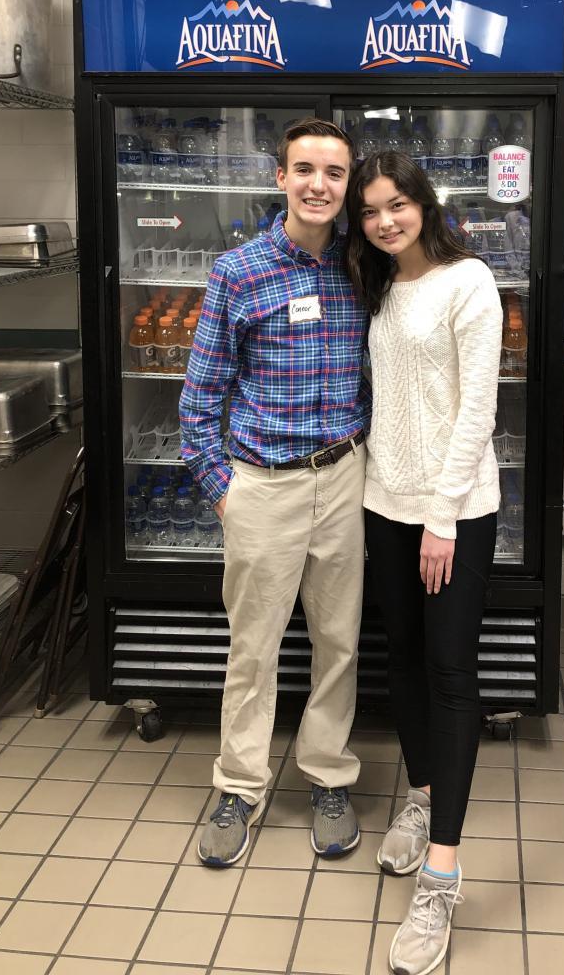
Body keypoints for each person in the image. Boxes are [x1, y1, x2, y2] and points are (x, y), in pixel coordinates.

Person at [179, 117, 371, 867]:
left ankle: (327, 775)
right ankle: (239, 785)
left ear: (347, 183)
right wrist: (226, 492)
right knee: (253, 649)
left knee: (339, 643)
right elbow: (199, 401)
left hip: (345, 477)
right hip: (263, 485)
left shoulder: (363, 266)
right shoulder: (239, 271)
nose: (319, 185)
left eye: (334, 172)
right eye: (306, 170)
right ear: (281, 178)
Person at [345, 151, 503, 975]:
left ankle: (442, 873)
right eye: (370, 210)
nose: (384, 221)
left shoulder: (468, 281)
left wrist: (442, 517)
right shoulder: (379, 284)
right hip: (386, 502)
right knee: (400, 657)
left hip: (455, 513)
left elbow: (478, 406)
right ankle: (424, 792)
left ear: (423, 204)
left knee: (449, 670)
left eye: (396, 205)